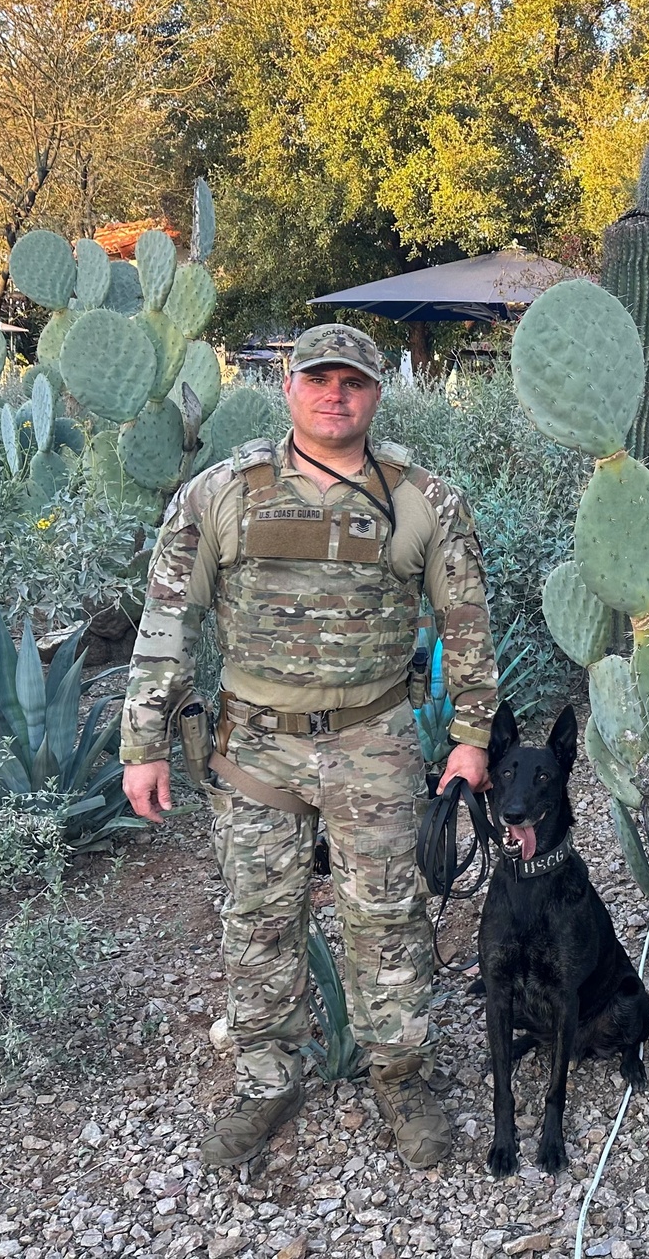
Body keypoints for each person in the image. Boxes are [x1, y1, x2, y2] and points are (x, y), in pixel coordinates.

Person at [120, 323, 496, 1171]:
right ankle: (266, 1079)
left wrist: (471, 735)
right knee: (257, 921)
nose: (336, 394)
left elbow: (466, 622)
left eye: (353, 381)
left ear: (375, 394)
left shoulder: (420, 499)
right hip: (255, 747)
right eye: (318, 379)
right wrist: (141, 742)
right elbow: (166, 621)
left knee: (387, 918)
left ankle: (400, 1076)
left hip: (374, 737)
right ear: (287, 388)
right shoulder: (223, 492)